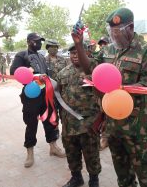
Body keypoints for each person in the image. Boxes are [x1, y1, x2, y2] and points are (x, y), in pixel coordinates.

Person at [72, 8, 147, 187]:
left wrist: (118, 88)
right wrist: (79, 44)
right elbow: (91, 69)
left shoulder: (146, 51)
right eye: (111, 31)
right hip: (112, 125)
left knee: (146, 175)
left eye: (117, 31)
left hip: (137, 127)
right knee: (123, 175)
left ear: (131, 28)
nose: (113, 35)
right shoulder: (108, 50)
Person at [10, 33, 65, 168]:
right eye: (36, 41)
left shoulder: (41, 56)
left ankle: (53, 147)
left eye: (40, 41)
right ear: (29, 41)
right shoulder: (21, 55)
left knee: (50, 121)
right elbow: (14, 71)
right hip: (31, 96)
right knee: (31, 124)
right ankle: (30, 152)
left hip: (45, 94)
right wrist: (30, 73)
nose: (39, 43)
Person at [57, 43, 101, 187]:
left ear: (85, 53)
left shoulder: (94, 70)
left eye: (77, 52)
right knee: (71, 151)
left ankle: (94, 179)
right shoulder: (63, 73)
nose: (75, 55)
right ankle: (76, 177)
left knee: (91, 152)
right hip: (69, 122)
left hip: (89, 122)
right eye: (72, 53)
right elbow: (58, 95)